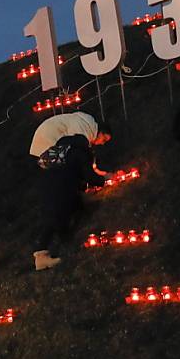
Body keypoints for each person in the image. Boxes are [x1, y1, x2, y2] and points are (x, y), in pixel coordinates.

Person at [33, 135, 107, 271]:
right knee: (57, 218)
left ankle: (67, 243)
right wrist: (104, 180)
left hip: (46, 190)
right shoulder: (79, 152)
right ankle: (42, 256)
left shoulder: (56, 152)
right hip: (63, 190)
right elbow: (89, 176)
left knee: (58, 216)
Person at [29, 111, 112, 160]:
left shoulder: (85, 125)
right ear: (100, 132)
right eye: (104, 139)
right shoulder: (82, 130)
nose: (102, 143)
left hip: (45, 136)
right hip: (47, 139)